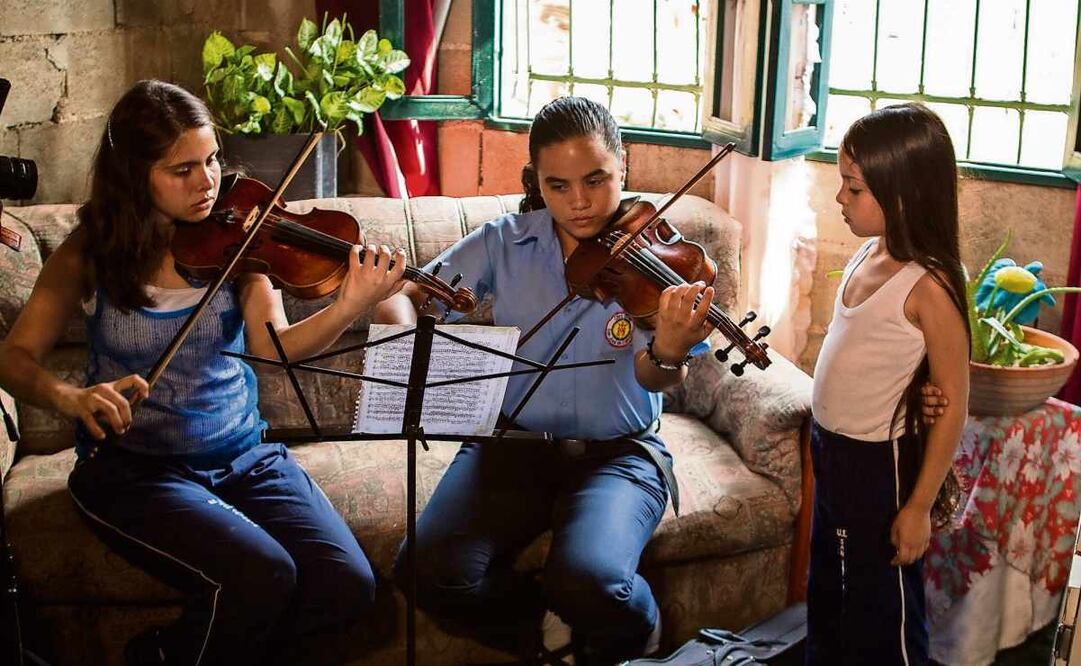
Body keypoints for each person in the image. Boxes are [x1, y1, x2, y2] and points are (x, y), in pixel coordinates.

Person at [0, 80, 408, 666]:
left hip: (243, 457)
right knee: (264, 574)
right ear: (135, 175)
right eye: (182, 169)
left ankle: (165, 654)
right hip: (135, 472)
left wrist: (348, 304)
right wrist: (70, 397)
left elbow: (276, 350)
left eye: (212, 159)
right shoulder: (92, 251)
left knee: (348, 586)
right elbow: (13, 358)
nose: (208, 181)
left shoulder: (237, 241)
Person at [374, 96, 715, 664]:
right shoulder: (504, 241)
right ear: (537, 180)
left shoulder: (656, 259)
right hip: (511, 449)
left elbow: (655, 376)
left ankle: (640, 635)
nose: (579, 203)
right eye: (558, 186)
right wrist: (409, 339)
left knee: (589, 578)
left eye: (596, 180)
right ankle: (546, 634)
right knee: (426, 572)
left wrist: (670, 348)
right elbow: (404, 301)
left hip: (618, 453)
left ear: (623, 167)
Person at [808, 102, 970, 665]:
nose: (840, 200)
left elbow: (952, 405)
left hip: (878, 465)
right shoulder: (865, 254)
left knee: (884, 614)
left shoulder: (930, 284)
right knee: (829, 595)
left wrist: (920, 506)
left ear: (900, 195)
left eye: (853, 189)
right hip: (830, 452)